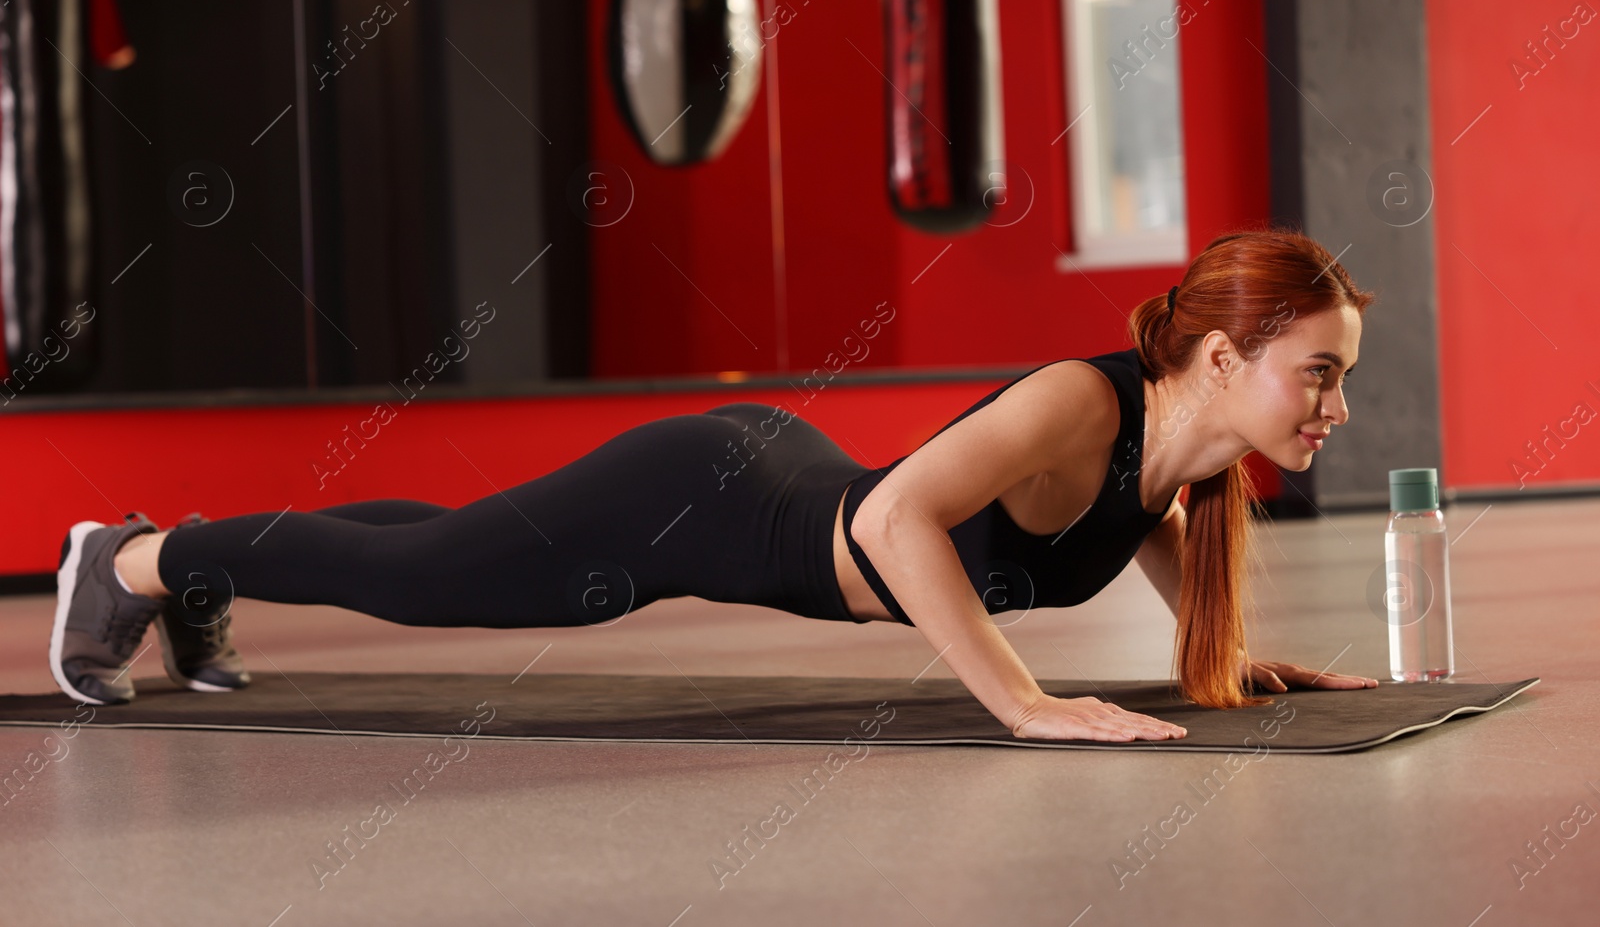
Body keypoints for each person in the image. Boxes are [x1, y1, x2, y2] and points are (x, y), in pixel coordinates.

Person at [50, 228, 1378, 743]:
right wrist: (1024, 705)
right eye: (1317, 374)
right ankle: (131, 562)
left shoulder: (1176, 467)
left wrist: (1242, 660)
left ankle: (193, 561)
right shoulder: (1076, 401)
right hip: (704, 501)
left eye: (1341, 379)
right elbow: (901, 517)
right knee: (427, 578)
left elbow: (1124, 531)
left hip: (761, 483)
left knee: (453, 544)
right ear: (1220, 355)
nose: (1333, 405)